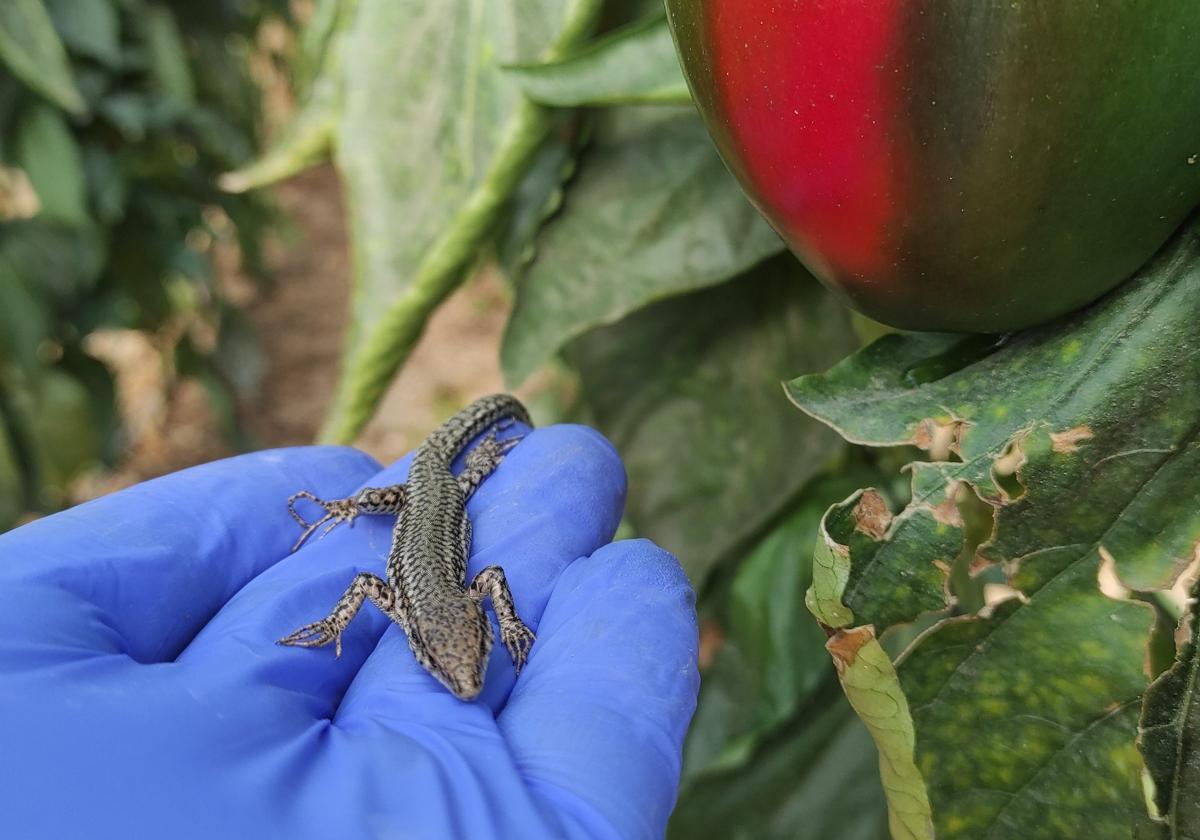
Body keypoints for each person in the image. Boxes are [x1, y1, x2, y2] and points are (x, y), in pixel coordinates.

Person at [0, 423, 699, 839]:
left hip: (439, 504)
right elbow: (371, 584)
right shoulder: (417, 608)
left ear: (469, 633)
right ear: (423, 644)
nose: (463, 679)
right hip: (421, 501)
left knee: (458, 480)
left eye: (472, 656)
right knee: (417, 487)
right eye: (447, 663)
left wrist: (507, 622)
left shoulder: (457, 604)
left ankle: (485, 442)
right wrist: (342, 579)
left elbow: (472, 584)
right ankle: (370, 492)